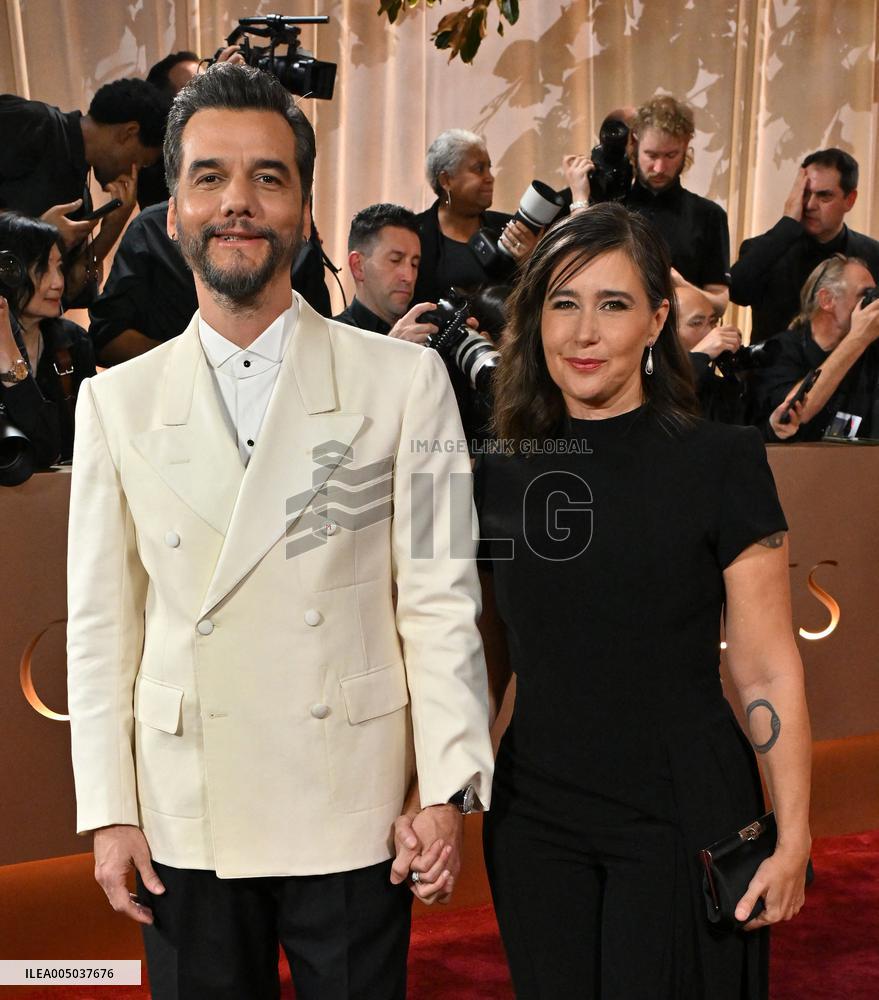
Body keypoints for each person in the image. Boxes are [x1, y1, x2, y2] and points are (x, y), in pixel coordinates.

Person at [66, 63, 493, 1000]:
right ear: (171, 207)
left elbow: (436, 598)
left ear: (303, 205)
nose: (238, 204)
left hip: (353, 802)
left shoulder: (401, 383)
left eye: (268, 177)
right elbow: (102, 628)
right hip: (186, 809)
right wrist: (109, 810)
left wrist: (442, 785)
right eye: (209, 177)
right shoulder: (115, 404)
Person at [477, 204, 812, 998]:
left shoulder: (721, 461)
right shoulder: (493, 471)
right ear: (532, 321)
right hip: (534, 821)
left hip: (680, 813)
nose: (583, 332)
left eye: (612, 303)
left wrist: (794, 833)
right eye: (562, 302)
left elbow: (764, 669)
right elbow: (482, 661)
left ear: (658, 320)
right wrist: (435, 797)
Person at [0, 80, 169, 302]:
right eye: (141, 162)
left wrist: (112, 228)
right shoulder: (34, 122)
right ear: (129, 132)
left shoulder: (80, 195)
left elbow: (63, 297)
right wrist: (39, 232)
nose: (133, 172)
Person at [564, 96, 731, 314]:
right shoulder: (611, 205)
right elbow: (578, 269)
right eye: (651, 155)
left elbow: (719, 305)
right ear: (633, 143)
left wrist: (679, 285)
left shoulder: (708, 215)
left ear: (687, 145)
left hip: (681, 341)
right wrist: (579, 196)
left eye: (671, 155)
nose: (660, 168)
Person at [730, 148, 879, 343]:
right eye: (805, 193)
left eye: (824, 196)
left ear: (849, 200)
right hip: (773, 370)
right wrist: (788, 223)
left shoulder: (873, 254)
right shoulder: (765, 248)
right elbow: (736, 291)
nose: (809, 205)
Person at [0, 213, 95, 467]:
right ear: (10, 272)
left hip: (57, 499)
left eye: (59, 267)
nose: (58, 282)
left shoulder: (75, 344)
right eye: (43, 269)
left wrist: (11, 359)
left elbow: (47, 447)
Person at [750, 254, 879, 442]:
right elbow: (792, 415)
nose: (873, 305)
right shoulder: (779, 350)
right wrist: (858, 339)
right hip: (789, 467)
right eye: (865, 295)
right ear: (827, 300)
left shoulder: (871, 352)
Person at [412, 129, 536, 305]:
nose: (490, 178)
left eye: (489, 168)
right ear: (445, 180)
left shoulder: (509, 229)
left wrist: (529, 261)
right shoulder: (416, 234)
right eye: (479, 169)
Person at [334, 202, 439, 343]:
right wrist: (392, 349)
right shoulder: (331, 339)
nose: (409, 277)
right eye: (395, 260)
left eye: (414, 264)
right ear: (358, 266)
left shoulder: (424, 334)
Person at [676, 283, 749, 424]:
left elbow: (736, 431)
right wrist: (700, 355)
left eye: (713, 321)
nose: (712, 332)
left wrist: (773, 429)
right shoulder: (645, 373)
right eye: (696, 323)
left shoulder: (708, 379)